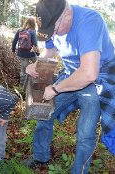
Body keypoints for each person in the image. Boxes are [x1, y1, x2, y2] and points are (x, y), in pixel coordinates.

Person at [24, 0, 115, 174]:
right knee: (44, 112)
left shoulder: (90, 21)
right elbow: (50, 51)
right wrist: (35, 65)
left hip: (97, 81)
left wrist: (55, 89)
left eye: (55, 30)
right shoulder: (53, 22)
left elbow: (89, 74)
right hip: (71, 75)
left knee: (85, 133)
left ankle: (79, 171)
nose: (54, 34)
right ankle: (40, 157)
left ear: (66, 14)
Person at [12, 17, 40, 86]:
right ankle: (36, 83)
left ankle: (22, 86)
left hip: (21, 53)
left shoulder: (19, 30)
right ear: (33, 24)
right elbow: (35, 44)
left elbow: (14, 41)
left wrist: (13, 50)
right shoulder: (32, 31)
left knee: (23, 71)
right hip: (31, 54)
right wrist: (37, 53)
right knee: (38, 67)